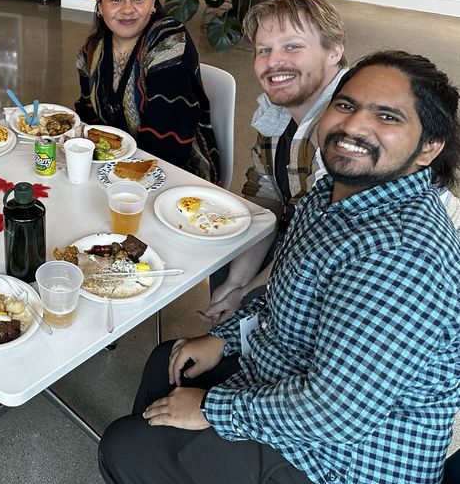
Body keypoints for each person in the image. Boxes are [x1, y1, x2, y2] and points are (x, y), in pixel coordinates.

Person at [99, 50, 460, 484]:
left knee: (125, 446)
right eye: (346, 105)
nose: (353, 125)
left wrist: (210, 410)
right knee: (168, 361)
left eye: (388, 116)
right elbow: (286, 300)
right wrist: (225, 338)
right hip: (296, 376)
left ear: (428, 148)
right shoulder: (333, 192)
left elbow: (335, 412)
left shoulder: (401, 256)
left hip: (341, 460)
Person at [201, 0, 347, 324]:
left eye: (292, 46)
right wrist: (238, 281)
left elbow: (321, 240)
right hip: (306, 233)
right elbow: (264, 196)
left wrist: (249, 289)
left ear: (334, 51)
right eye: (264, 50)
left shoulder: (344, 128)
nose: (273, 61)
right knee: (228, 259)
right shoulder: (277, 113)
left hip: (349, 270)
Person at [75, 0, 219, 182]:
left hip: (177, 172)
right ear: (100, 5)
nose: (128, 9)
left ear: (153, 1)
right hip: (109, 167)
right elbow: (87, 115)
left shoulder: (169, 41)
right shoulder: (91, 51)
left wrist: (117, 176)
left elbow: (166, 140)